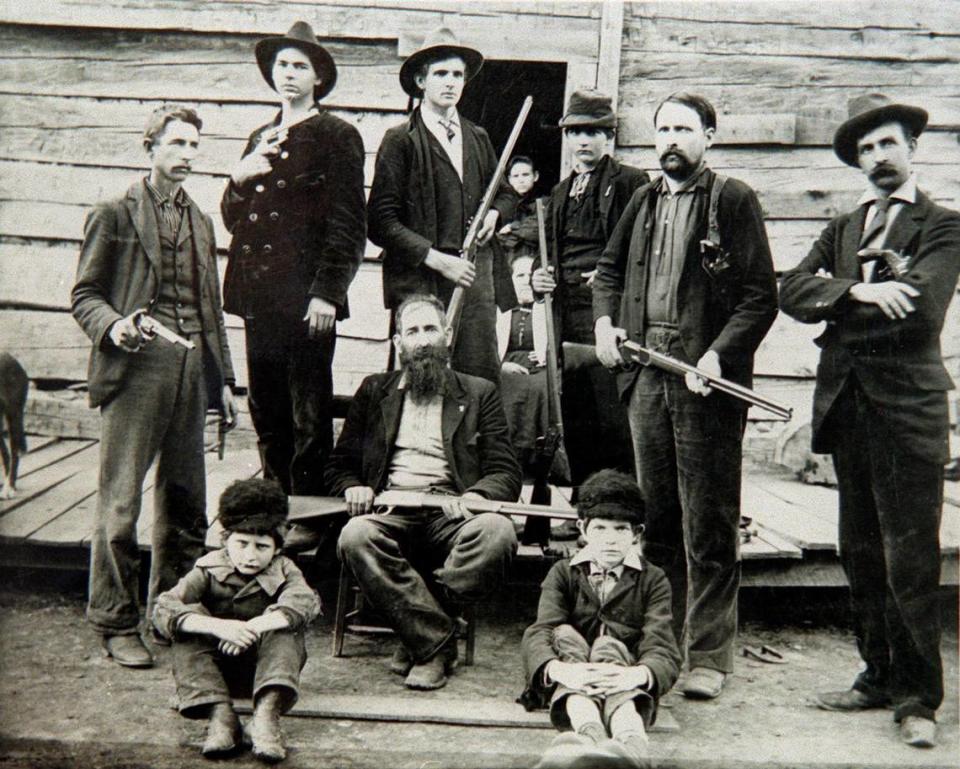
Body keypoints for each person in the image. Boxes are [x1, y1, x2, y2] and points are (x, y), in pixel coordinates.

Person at [779, 93, 959, 749]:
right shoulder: (845, 228)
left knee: (909, 557)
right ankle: (877, 673)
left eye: (887, 143)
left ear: (912, 146)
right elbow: (790, 290)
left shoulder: (943, 225)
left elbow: (919, 307)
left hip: (908, 411)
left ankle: (919, 698)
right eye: (865, 149)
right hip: (848, 407)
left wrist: (838, 302)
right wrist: (855, 289)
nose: (877, 156)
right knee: (859, 552)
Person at [592, 92, 777, 700]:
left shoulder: (732, 199)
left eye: (684, 129)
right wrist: (604, 324)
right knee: (658, 518)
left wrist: (718, 353)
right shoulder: (643, 199)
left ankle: (709, 657)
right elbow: (609, 272)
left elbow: (759, 296)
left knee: (709, 522)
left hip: (705, 383)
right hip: (648, 376)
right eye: (663, 129)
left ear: (710, 137)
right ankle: (661, 646)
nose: (671, 139)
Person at [72, 104, 237, 669]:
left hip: (192, 372)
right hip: (136, 369)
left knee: (186, 501)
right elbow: (84, 295)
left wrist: (226, 383)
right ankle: (116, 620)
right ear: (150, 146)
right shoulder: (114, 213)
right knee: (121, 502)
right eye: (177, 144)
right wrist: (114, 325)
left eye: (194, 145)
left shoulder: (201, 221)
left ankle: (171, 612)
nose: (187, 155)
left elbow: (210, 309)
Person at [328, 294, 521, 691]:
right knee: (355, 535)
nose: (423, 340)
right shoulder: (373, 390)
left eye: (431, 329)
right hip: (390, 508)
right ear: (398, 343)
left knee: (497, 533)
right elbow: (338, 464)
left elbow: (505, 470)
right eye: (412, 331)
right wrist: (354, 486)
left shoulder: (479, 392)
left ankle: (418, 636)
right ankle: (435, 642)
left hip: (451, 514)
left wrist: (478, 497)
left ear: (447, 335)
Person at [221, 21, 366, 497]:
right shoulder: (260, 135)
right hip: (257, 295)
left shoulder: (335, 134)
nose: (288, 74)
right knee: (265, 404)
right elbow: (231, 218)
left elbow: (349, 224)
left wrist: (328, 292)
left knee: (307, 408)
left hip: (306, 298)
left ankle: (305, 507)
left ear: (318, 78)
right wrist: (240, 177)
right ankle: (272, 500)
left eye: (300, 66)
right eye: (282, 65)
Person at [368, 27, 517, 386]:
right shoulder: (400, 141)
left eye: (457, 75)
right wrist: (435, 258)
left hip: (473, 278)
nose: (450, 82)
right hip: (421, 280)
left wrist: (495, 215)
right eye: (440, 74)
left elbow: (507, 193)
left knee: (478, 378)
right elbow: (380, 221)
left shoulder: (477, 137)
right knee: (423, 377)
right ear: (421, 80)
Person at [520, 470, 681, 769]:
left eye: (621, 529)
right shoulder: (563, 572)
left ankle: (631, 747)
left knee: (609, 645)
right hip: (574, 669)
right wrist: (561, 671)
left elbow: (662, 644)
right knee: (564, 634)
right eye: (600, 528)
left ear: (637, 533)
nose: (610, 540)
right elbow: (540, 631)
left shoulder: (653, 579)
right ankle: (589, 740)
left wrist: (636, 675)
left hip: (623, 676)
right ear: (582, 528)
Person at [154, 479, 320, 762]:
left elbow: (304, 602)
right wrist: (219, 627)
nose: (250, 556)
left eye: (261, 546)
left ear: (277, 548)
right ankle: (222, 718)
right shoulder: (207, 568)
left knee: (286, 629)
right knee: (186, 630)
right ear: (225, 540)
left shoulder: (285, 570)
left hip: (267, 673)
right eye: (241, 544)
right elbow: (164, 608)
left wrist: (252, 628)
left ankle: (265, 718)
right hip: (213, 673)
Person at [531, 90, 649, 486]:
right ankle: (587, 503)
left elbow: (641, 250)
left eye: (593, 132)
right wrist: (537, 277)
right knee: (576, 412)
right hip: (567, 319)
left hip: (609, 316)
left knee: (613, 413)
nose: (583, 141)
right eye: (575, 132)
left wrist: (612, 274)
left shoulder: (632, 182)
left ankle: (622, 506)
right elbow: (544, 254)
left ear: (609, 137)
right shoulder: (559, 194)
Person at [496, 254, 549, 467]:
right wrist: (501, 366)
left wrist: (546, 352)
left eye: (531, 275)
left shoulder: (547, 309)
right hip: (505, 365)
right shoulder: (499, 310)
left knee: (541, 388)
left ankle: (536, 458)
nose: (527, 280)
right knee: (507, 385)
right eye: (520, 275)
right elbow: (487, 346)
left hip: (538, 368)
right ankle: (506, 456)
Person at [498, 156, 541, 263]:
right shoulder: (503, 205)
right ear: (509, 179)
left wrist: (512, 227)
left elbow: (536, 230)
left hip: (532, 259)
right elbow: (497, 238)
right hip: (507, 260)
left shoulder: (544, 202)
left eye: (525, 175)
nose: (521, 180)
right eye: (516, 176)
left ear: (535, 176)